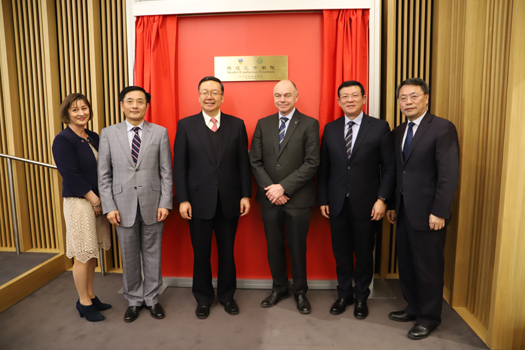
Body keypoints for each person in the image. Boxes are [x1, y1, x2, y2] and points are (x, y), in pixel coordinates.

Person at [386, 78, 459, 340]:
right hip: (404, 211)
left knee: (428, 267)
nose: (408, 102)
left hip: (430, 213)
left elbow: (448, 175)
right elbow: (398, 173)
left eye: (413, 97)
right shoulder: (398, 132)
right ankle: (413, 307)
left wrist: (440, 211)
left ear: (426, 98)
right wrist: (393, 205)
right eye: (403, 98)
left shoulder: (442, 128)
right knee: (406, 263)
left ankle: (429, 317)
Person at [173, 76, 252, 319]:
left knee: (227, 251)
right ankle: (204, 298)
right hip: (197, 202)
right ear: (198, 96)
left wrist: (246, 195)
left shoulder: (237, 125)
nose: (209, 96)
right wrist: (183, 199)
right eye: (204, 92)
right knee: (201, 253)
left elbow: (243, 165)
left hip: (229, 200)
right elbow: (180, 166)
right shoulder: (186, 125)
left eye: (214, 92)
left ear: (222, 97)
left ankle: (228, 297)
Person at [317, 81, 395, 319]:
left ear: (363, 98)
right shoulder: (330, 128)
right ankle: (344, 294)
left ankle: (361, 297)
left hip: (368, 204)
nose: (349, 100)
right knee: (341, 253)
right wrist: (323, 199)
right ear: (338, 101)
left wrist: (383, 200)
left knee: (363, 253)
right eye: (344, 97)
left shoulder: (380, 127)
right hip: (337, 202)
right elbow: (324, 169)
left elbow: (390, 168)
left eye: (354, 95)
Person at [98, 86, 173, 323]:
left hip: (153, 203)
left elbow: (166, 172)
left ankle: (152, 299)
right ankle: (133, 300)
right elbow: (104, 174)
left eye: (140, 101)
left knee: (153, 254)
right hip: (122, 205)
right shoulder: (108, 133)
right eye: (129, 101)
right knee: (129, 255)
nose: (135, 105)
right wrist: (109, 206)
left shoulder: (159, 132)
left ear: (146, 106)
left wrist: (166, 202)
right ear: (121, 105)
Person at [250, 80, 320, 314]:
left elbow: (312, 163)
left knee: (298, 247)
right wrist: (272, 189)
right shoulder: (263, 124)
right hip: (269, 198)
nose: (282, 99)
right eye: (278, 95)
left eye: (287, 95)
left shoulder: (309, 124)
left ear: (296, 96)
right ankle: (279, 287)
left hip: (298, 199)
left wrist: (284, 188)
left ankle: (300, 292)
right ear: (274, 97)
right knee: (274, 246)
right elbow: (255, 161)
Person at [52, 93, 112, 322]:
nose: (81, 113)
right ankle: (83, 302)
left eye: (84, 108)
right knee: (82, 254)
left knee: (92, 251)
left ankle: (91, 295)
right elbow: (70, 175)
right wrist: (95, 201)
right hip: (79, 202)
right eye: (75, 109)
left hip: (97, 200)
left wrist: (100, 200)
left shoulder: (93, 136)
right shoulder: (63, 140)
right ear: (67, 113)